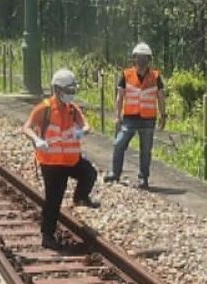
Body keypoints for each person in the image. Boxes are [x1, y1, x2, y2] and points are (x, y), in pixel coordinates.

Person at [22, 68, 99, 248]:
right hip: (51, 163)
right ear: (57, 90)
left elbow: (86, 125)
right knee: (53, 199)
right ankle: (47, 236)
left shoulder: (72, 108)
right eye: (68, 90)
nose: (72, 94)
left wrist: (82, 131)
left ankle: (80, 197)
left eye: (73, 90)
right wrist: (37, 140)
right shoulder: (44, 108)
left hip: (71, 160)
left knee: (89, 173)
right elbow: (26, 127)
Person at [107, 42, 165, 188]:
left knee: (145, 151)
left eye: (144, 58)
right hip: (130, 118)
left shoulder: (155, 76)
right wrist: (117, 115)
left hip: (148, 119)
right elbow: (120, 96)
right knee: (119, 144)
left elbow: (161, 97)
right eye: (139, 57)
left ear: (149, 59)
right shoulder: (126, 75)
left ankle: (143, 178)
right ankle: (115, 173)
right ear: (134, 58)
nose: (141, 60)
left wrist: (163, 115)